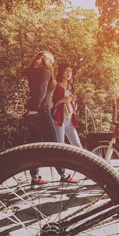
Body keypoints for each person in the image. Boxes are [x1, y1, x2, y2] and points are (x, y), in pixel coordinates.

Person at [23, 50, 58, 185]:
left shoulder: (28, 71)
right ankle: (64, 174)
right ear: (46, 59)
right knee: (54, 143)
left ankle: (35, 177)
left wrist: (29, 111)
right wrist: (35, 109)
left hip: (28, 112)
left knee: (34, 145)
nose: (52, 64)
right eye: (52, 61)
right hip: (40, 111)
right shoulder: (45, 71)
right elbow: (41, 94)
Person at [53, 63, 82, 149]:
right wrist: (63, 100)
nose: (69, 73)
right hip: (59, 119)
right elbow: (52, 104)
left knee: (78, 146)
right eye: (66, 71)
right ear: (62, 72)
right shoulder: (56, 86)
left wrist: (74, 103)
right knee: (60, 146)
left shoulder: (70, 87)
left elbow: (71, 102)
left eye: (70, 71)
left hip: (70, 119)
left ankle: (79, 162)